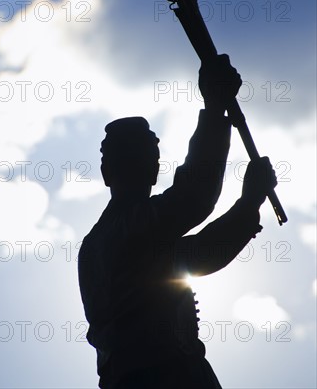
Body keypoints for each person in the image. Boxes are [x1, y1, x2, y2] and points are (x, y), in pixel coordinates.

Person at [78, 55, 277, 389]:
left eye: (153, 158)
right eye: (143, 156)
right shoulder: (121, 232)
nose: (152, 166)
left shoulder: (120, 236)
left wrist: (248, 204)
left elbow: (197, 255)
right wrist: (214, 107)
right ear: (108, 171)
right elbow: (193, 198)